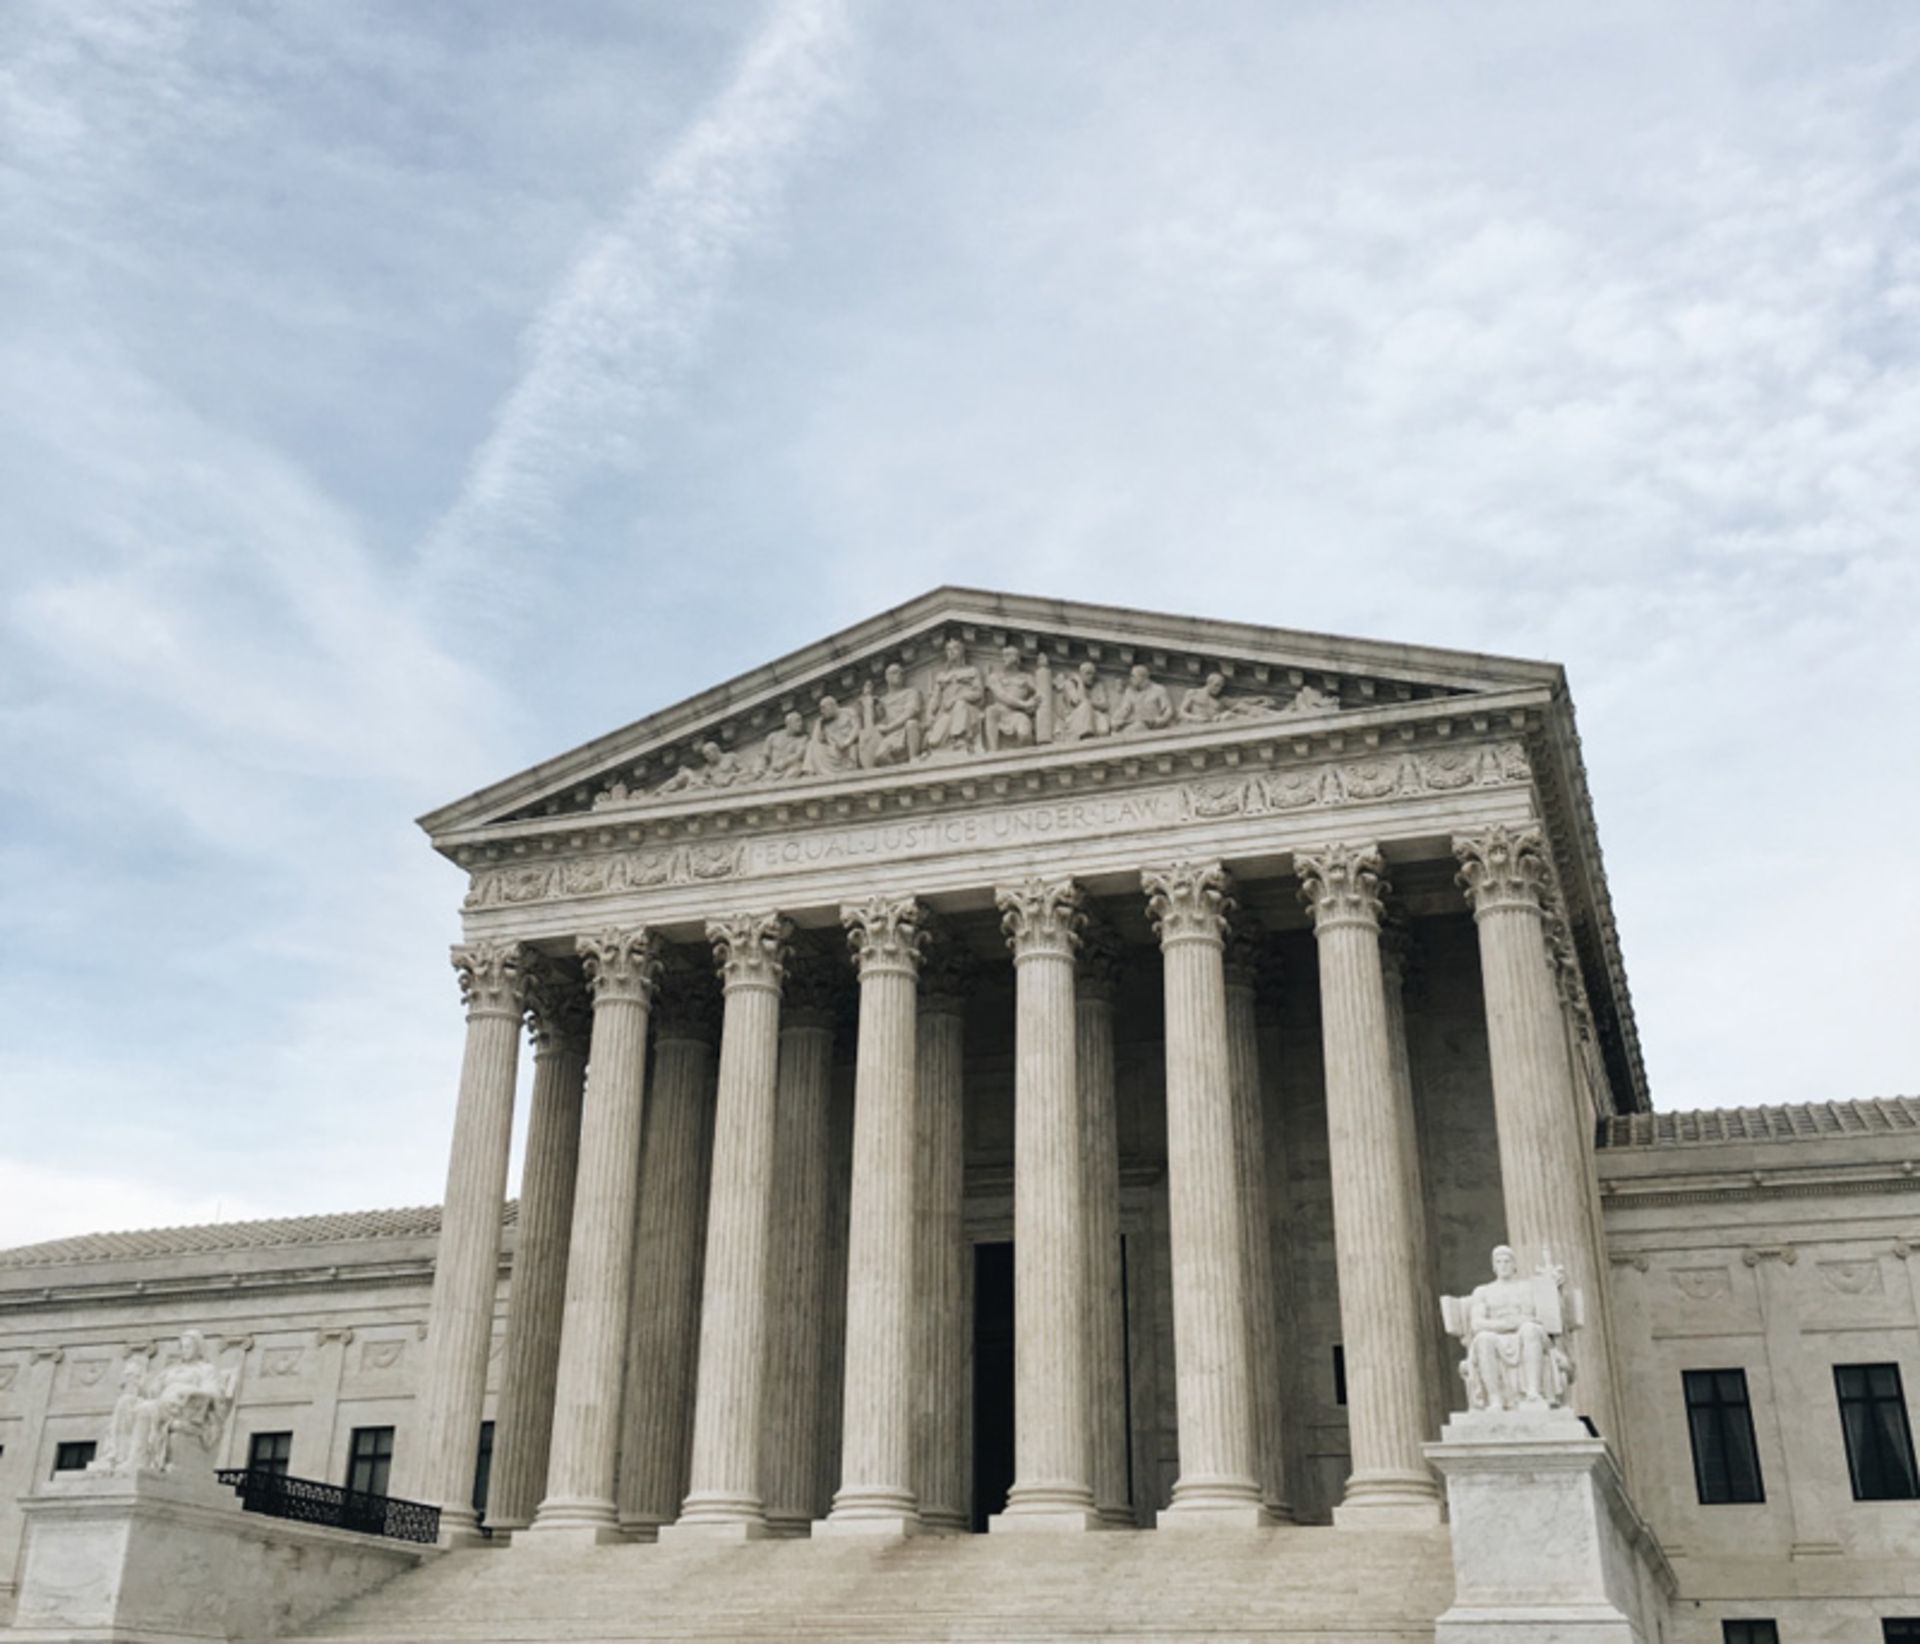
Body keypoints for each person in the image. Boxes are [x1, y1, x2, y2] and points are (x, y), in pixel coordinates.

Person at [1458, 1246, 1572, 1411]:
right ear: (1493, 1267)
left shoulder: (1529, 1287)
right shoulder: (1483, 1291)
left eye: (1507, 1261)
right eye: (1499, 1262)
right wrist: (1510, 1324)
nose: (1503, 1265)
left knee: (1530, 1329)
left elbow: (1551, 1316)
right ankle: (1495, 1399)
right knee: (1483, 1339)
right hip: (1497, 1335)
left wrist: (1554, 1289)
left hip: (1528, 1334)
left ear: (1514, 1265)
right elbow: (1477, 1324)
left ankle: (1533, 1392)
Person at [923, 639, 986, 755]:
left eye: (955, 648)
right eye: (948, 649)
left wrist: (957, 698)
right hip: (946, 713)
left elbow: (978, 693)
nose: (951, 652)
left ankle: (960, 739)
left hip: (968, 711)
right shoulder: (942, 676)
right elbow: (935, 698)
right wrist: (929, 713)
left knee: (960, 705)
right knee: (934, 741)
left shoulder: (972, 671)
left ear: (962, 652)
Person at [860, 665, 924, 767]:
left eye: (901, 673)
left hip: (906, 730)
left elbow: (910, 712)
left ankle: (914, 758)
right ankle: (899, 775)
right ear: (887, 677)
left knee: (912, 723)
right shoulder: (883, 701)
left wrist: (888, 728)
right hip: (891, 736)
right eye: (894, 672)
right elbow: (871, 726)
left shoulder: (911, 693)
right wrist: (868, 699)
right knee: (880, 755)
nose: (899, 675)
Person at [982, 646, 1041, 752]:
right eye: (1004, 655)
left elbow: (1040, 693)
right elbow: (1001, 695)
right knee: (990, 710)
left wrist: (1034, 701)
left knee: (1024, 733)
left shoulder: (1026, 677)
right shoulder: (995, 677)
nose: (1004, 658)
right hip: (1000, 712)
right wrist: (1025, 704)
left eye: (1008, 655)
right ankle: (993, 752)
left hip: (1017, 714)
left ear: (1016, 658)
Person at [1055, 660, 1111, 742]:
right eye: (1088, 673)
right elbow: (1077, 701)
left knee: (1102, 718)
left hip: (1094, 716)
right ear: (1080, 674)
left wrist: (1091, 703)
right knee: (1086, 706)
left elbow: (1105, 705)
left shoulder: (1098, 685)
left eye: (1093, 674)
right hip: (1074, 718)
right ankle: (1086, 734)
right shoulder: (1070, 683)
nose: (1091, 676)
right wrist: (1080, 682)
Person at [805, 695, 862, 776]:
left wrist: (847, 742)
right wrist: (818, 724)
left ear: (832, 706)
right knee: (811, 745)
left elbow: (857, 728)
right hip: (833, 751)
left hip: (847, 747)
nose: (822, 712)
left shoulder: (848, 712)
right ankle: (809, 774)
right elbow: (815, 740)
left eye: (824, 708)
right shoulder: (825, 723)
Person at [1111, 664, 1174, 736]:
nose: (1131, 679)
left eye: (1133, 676)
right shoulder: (1129, 692)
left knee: (1133, 730)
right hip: (1133, 723)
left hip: (1151, 725)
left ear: (1141, 677)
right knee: (1116, 733)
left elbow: (1168, 710)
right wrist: (1115, 720)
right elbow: (1124, 709)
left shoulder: (1158, 689)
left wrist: (1161, 720)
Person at [759, 710, 811, 782]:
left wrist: (783, 763)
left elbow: (798, 755)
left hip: (789, 770)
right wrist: (759, 770)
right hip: (771, 772)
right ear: (788, 723)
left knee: (795, 770)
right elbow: (764, 756)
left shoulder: (803, 739)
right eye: (797, 721)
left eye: (801, 721)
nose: (801, 724)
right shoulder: (773, 736)